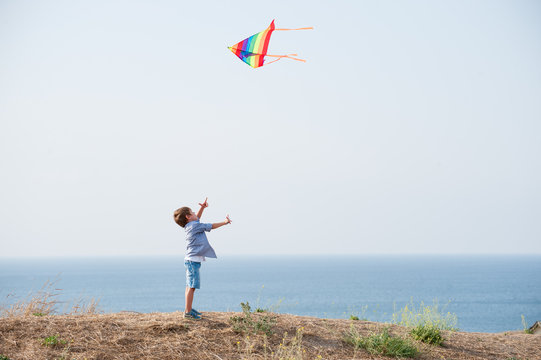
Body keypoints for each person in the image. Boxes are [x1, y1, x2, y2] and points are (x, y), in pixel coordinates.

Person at [173, 198, 231, 320]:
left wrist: (202, 208)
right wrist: (225, 222)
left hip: (191, 260)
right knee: (192, 286)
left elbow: (196, 219)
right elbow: (210, 226)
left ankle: (188, 309)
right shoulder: (194, 226)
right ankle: (188, 313)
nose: (195, 214)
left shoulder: (190, 225)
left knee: (189, 286)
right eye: (193, 212)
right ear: (188, 217)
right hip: (192, 261)